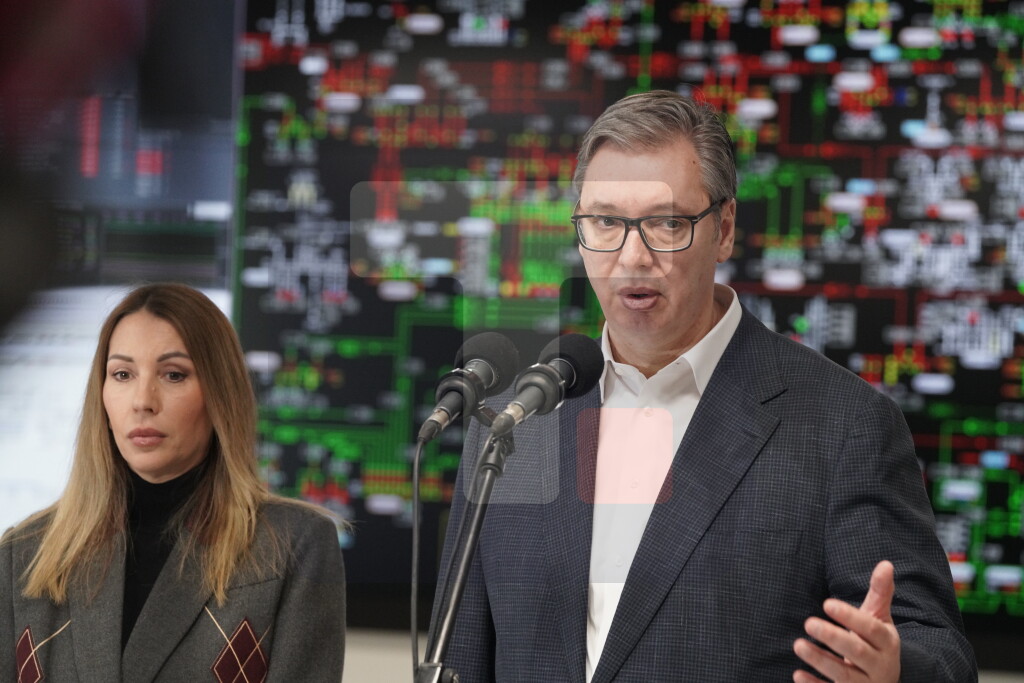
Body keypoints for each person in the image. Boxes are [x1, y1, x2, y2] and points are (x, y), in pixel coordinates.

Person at [431, 91, 976, 682]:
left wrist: (893, 674)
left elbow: (939, 652)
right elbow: (459, 657)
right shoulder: (517, 419)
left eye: (667, 223)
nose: (632, 257)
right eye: (606, 222)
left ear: (724, 229)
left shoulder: (843, 425)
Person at [1, 283, 346, 682]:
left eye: (174, 375)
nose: (142, 401)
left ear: (220, 394)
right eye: (123, 374)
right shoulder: (23, 553)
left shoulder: (294, 546)